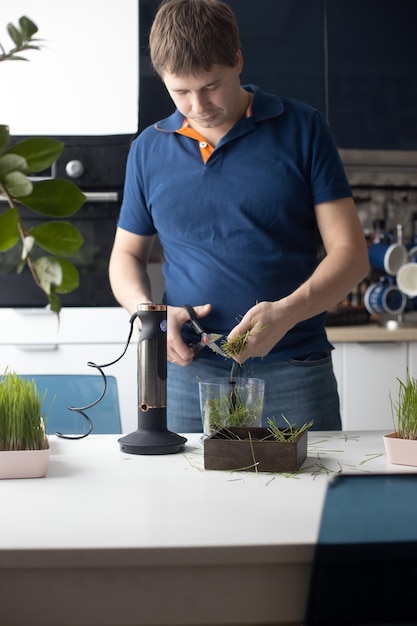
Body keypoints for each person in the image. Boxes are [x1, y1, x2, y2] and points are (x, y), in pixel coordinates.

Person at [109, 0, 369, 433]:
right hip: (187, 373)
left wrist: (286, 313)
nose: (197, 104)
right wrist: (149, 313)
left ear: (237, 61)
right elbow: (125, 258)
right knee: (188, 500)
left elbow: (352, 255)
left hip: (294, 369)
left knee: (306, 499)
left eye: (211, 85)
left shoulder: (303, 128)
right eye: (180, 91)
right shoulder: (147, 149)